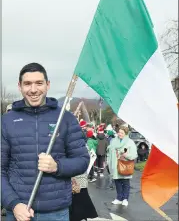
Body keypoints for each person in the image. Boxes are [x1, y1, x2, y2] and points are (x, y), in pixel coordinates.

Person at [1, 62, 90, 221]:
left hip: (56, 213)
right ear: (19, 86)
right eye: (27, 84)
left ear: (48, 85)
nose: (33, 90)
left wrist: (57, 166)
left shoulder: (65, 118)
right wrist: (13, 204)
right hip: (18, 213)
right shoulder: (6, 121)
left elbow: (82, 161)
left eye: (39, 83)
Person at [107, 126, 137, 207]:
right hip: (115, 165)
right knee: (117, 182)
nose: (120, 134)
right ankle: (119, 198)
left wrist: (126, 155)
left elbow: (134, 155)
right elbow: (109, 152)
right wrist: (108, 162)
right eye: (119, 132)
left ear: (126, 133)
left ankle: (125, 199)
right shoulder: (113, 141)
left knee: (125, 183)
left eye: (122, 133)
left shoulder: (130, 142)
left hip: (125, 165)